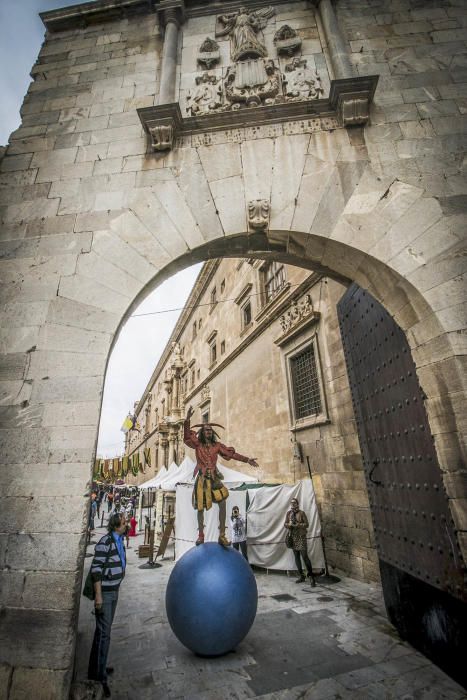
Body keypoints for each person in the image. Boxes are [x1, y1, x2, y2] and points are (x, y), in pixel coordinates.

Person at [184, 405, 258, 547]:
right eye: (206, 430)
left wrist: (247, 459)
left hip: (215, 479)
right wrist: (187, 420)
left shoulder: (217, 446)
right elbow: (187, 436)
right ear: (201, 432)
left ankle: (222, 535)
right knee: (200, 507)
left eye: (210, 430)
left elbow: (231, 454)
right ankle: (201, 535)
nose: (209, 432)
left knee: (223, 503)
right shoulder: (197, 444)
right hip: (202, 479)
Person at [88, 512, 127, 697]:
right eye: (124, 522)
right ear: (116, 525)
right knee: (104, 635)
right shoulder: (106, 542)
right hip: (105, 594)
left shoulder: (119, 540)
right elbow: (96, 569)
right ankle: (100, 677)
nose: (126, 524)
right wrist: (98, 596)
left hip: (114, 590)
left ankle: (97, 669)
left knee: (102, 632)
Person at [284, 497, 316, 586]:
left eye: (294, 503)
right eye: (291, 503)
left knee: (305, 557)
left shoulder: (301, 513)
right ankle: (301, 576)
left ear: (297, 504)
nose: (293, 504)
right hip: (293, 537)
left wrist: (298, 525)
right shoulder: (289, 513)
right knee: (296, 556)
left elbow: (307, 524)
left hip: (301, 537)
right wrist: (288, 525)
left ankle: (311, 577)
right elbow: (285, 523)